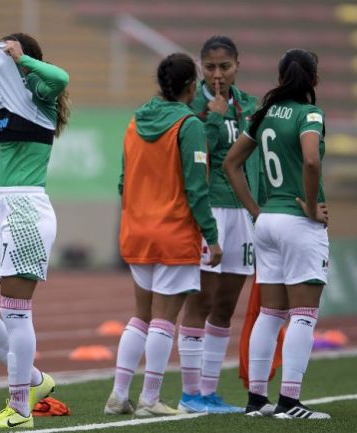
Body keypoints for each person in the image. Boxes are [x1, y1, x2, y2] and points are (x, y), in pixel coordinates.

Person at [0, 33, 69, 429]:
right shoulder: (6, 97)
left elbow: (60, 76)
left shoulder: (40, 92)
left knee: (15, 312)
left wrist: (23, 61)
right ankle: (36, 380)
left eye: (4, 54)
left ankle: (20, 409)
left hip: (26, 207)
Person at [105, 53, 222, 417]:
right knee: (164, 319)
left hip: (137, 231)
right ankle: (150, 399)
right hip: (173, 233)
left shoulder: (134, 121)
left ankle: (118, 395)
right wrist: (212, 236)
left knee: (139, 316)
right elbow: (196, 188)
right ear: (191, 87)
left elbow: (124, 181)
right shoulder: (189, 125)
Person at [224, 48, 330, 419]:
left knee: (270, 313)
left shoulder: (263, 114)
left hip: (267, 222)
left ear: (281, 77)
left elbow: (230, 163)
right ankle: (289, 402)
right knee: (303, 314)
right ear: (313, 79)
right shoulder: (309, 114)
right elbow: (312, 159)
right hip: (298, 223)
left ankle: (257, 400)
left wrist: (256, 211)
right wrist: (312, 205)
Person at [177, 36, 260, 414]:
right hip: (208, 211)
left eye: (224, 66)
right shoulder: (193, 106)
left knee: (226, 305)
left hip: (241, 214)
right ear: (200, 67)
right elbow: (195, 159)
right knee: (201, 300)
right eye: (209, 67)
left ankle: (209, 392)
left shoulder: (251, 107)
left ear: (237, 65)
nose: (217, 74)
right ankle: (190, 392)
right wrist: (212, 116)